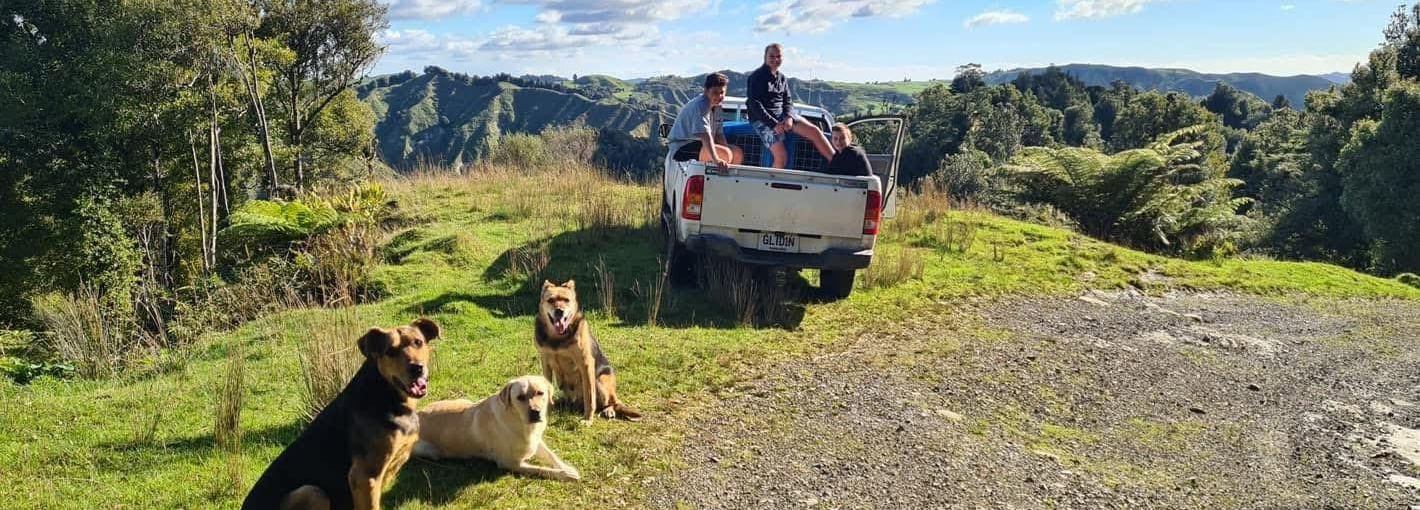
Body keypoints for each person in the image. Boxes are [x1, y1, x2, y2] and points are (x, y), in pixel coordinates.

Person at [746, 43, 835, 169]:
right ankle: (772, 185)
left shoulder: (782, 78)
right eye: (772, 56)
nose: (775, 59)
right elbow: (754, 104)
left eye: (778, 56)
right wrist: (774, 124)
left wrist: (789, 117)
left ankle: (837, 164)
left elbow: (787, 100)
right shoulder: (756, 77)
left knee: (815, 131)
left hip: (782, 116)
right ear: (765, 56)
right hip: (762, 119)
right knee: (781, 157)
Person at [668, 72, 742, 169]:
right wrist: (717, 160)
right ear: (706, 91)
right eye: (715, 92)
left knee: (737, 152)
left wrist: (727, 148)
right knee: (724, 154)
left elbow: (719, 135)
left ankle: (730, 181)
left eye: (722, 92)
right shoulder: (701, 106)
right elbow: (706, 136)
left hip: (699, 145)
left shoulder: (718, 108)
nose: (719, 96)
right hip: (682, 147)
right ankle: (716, 182)